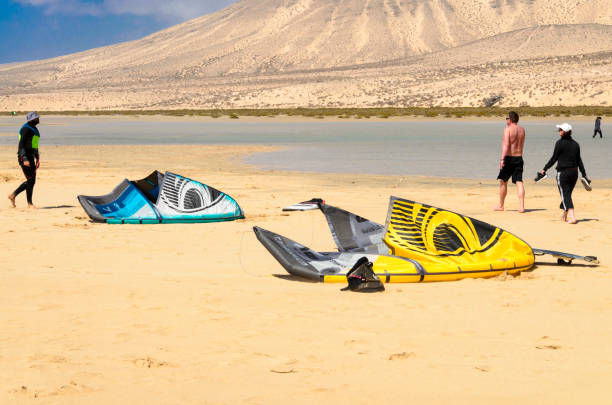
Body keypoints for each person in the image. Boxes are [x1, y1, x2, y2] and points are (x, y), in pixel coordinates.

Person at [538, 123, 590, 224]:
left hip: (563, 173)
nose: (559, 131)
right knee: (567, 194)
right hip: (574, 173)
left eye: (560, 130)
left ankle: (572, 217)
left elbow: (554, 158)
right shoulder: (576, 144)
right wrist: (584, 174)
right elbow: (579, 161)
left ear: (564, 132)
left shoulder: (559, 143)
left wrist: (544, 169)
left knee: (565, 195)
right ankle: (564, 216)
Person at [8, 112, 41, 209]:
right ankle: (26, 202)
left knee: (32, 180)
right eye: (36, 118)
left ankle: (22, 200)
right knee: (30, 180)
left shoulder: (34, 129)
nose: (38, 119)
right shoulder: (26, 129)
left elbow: (34, 145)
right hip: (24, 156)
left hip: (30, 156)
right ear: (31, 120)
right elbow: (21, 144)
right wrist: (25, 158)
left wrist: (37, 157)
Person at [494, 111, 525, 212]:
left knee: (503, 181)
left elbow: (506, 145)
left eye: (506, 118)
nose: (506, 120)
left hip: (509, 158)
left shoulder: (507, 129)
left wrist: (502, 159)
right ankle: (521, 207)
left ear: (510, 119)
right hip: (519, 157)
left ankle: (501, 205)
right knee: (519, 182)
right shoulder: (522, 130)